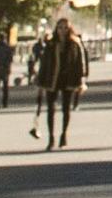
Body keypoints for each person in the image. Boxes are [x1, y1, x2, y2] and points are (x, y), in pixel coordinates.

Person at [35, 17, 87, 149]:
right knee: (51, 109)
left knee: (65, 109)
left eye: (65, 28)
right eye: (60, 28)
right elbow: (44, 64)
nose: (62, 30)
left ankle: (64, 135)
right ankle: (51, 138)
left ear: (69, 29)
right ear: (56, 29)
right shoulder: (51, 44)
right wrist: (40, 82)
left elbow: (81, 63)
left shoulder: (75, 43)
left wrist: (82, 79)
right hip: (52, 79)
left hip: (68, 79)